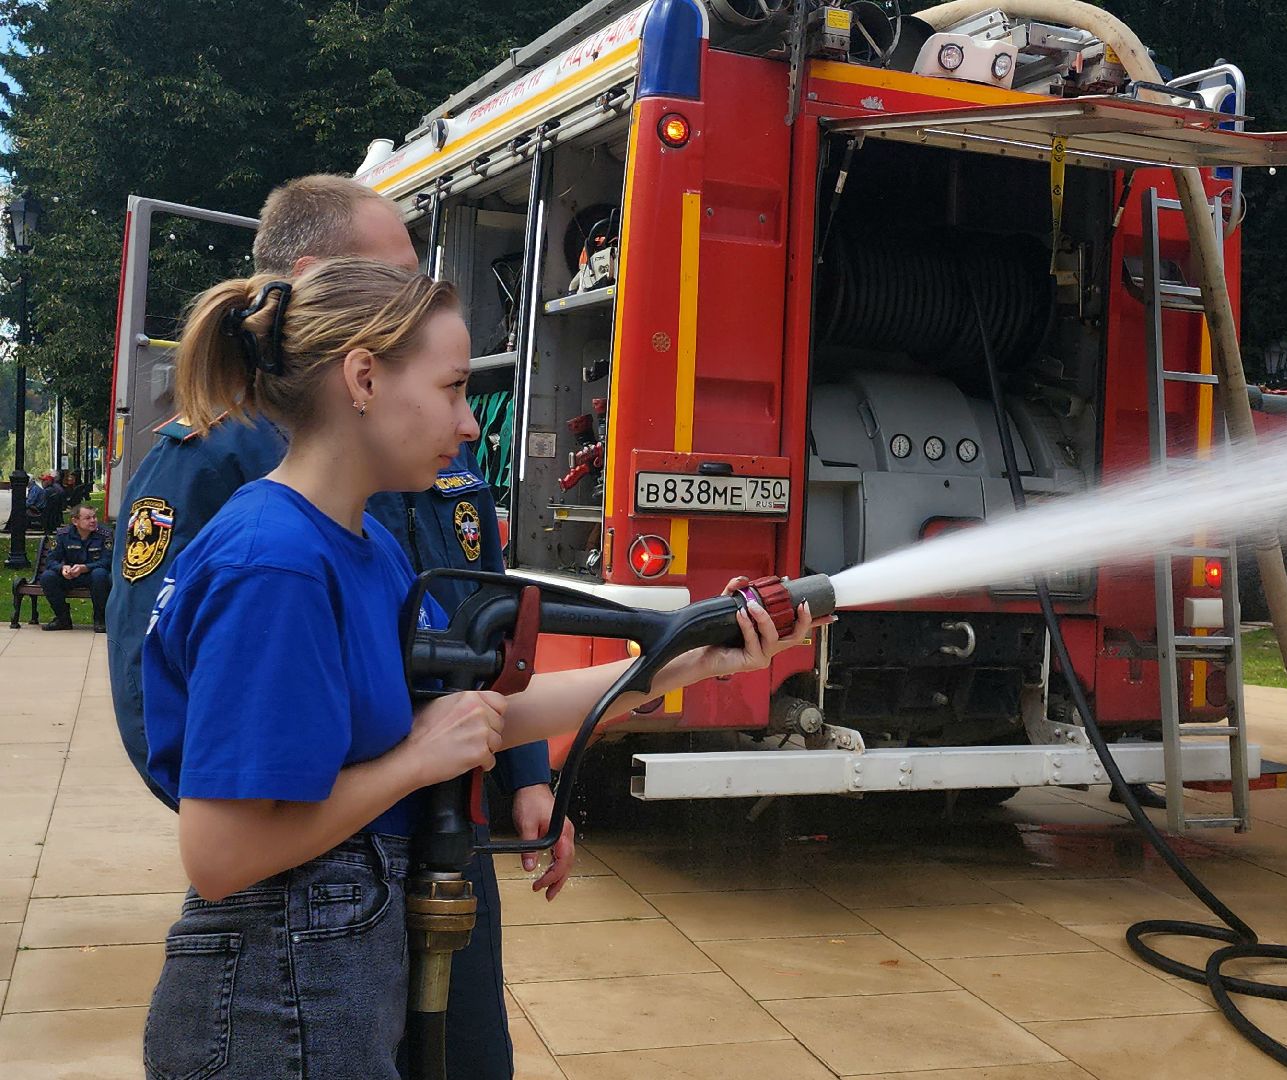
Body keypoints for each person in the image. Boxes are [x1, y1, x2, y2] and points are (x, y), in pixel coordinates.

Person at [140, 259, 817, 1078]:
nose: (469, 424)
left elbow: (484, 711)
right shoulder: (277, 564)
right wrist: (414, 762)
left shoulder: (360, 544)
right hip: (275, 998)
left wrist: (685, 660)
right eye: (455, 388)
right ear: (363, 377)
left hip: (323, 976)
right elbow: (221, 854)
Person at [107, 175, 559, 1080]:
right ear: (358, 361)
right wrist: (303, 812)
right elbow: (184, 734)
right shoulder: (247, 498)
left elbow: (464, 650)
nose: (470, 423)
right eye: (395, 279)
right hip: (317, 887)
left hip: (416, 846)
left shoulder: (384, 505)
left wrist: (670, 664)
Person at [38, 503, 113, 631]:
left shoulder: (105, 535)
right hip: (71, 575)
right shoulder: (63, 535)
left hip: (93, 575)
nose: (93, 521)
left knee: (100, 574)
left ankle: (100, 619)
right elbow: (51, 560)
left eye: (94, 517)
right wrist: (62, 568)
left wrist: (86, 567)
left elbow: (108, 561)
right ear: (75, 521)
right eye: (88, 518)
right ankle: (63, 619)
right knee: (47, 577)